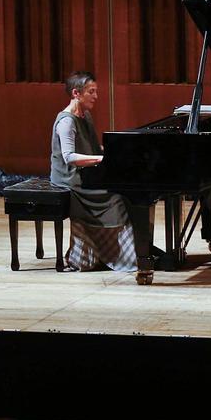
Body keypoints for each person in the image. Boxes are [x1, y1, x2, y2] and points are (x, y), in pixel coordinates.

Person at [50, 71, 137, 272]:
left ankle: (117, 252)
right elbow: (69, 157)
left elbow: (90, 148)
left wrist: (116, 151)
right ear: (76, 93)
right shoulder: (66, 121)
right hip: (70, 179)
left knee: (126, 191)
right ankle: (115, 255)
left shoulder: (85, 115)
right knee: (115, 197)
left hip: (86, 173)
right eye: (91, 92)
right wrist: (103, 158)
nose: (96, 96)